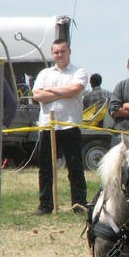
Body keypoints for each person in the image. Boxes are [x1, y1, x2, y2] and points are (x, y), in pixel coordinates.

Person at [32, 38, 88, 215]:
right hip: (48, 126)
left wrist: (51, 91)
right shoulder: (44, 73)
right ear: (52, 53)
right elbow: (37, 96)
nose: (59, 55)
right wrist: (62, 92)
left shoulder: (79, 72)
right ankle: (45, 205)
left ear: (69, 52)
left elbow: (74, 90)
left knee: (75, 168)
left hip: (70, 125)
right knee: (46, 169)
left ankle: (79, 204)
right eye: (56, 52)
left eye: (62, 51)